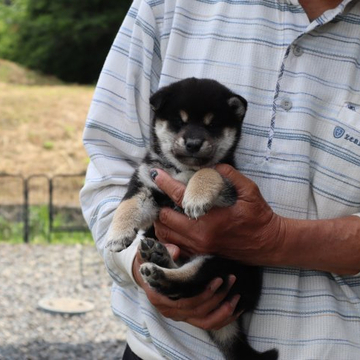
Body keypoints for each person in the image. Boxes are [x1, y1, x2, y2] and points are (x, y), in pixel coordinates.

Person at [80, 0, 360, 359]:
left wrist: (277, 240)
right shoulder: (165, 6)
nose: (194, 140)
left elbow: (215, 185)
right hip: (161, 351)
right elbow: (109, 166)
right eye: (179, 125)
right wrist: (136, 262)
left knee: (208, 268)